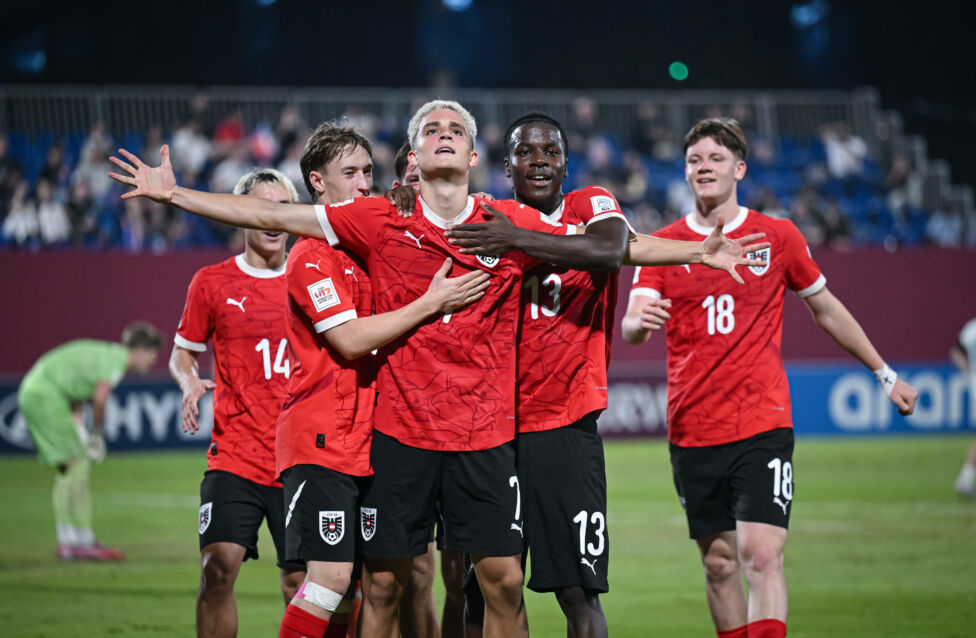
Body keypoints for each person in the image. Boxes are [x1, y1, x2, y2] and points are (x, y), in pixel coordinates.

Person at [441, 112, 768, 638]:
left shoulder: (589, 204)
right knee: (479, 590)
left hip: (563, 428)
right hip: (489, 431)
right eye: (526, 152)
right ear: (507, 166)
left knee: (579, 595)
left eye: (551, 152)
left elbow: (611, 250)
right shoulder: (488, 217)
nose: (539, 161)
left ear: (567, 165)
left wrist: (516, 239)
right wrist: (406, 192)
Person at [621, 118, 918, 638]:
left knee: (761, 554)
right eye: (694, 160)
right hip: (692, 429)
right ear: (684, 172)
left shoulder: (777, 236)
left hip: (761, 422)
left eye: (715, 158)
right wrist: (639, 323)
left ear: (739, 169)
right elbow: (631, 324)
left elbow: (826, 309)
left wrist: (883, 372)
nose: (704, 168)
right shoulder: (663, 245)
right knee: (719, 564)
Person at [276, 121, 486, 638]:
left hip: (372, 441)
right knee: (328, 580)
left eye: (368, 171)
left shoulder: (371, 248)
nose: (363, 183)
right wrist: (431, 303)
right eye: (349, 173)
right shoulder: (311, 254)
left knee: (366, 585)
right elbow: (349, 341)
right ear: (317, 182)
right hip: (322, 440)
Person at [169, 167, 307, 638]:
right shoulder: (211, 283)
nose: (272, 217)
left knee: (300, 584)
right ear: (239, 213)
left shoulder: (313, 275)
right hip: (235, 456)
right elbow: (182, 353)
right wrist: (188, 380)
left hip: (301, 458)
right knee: (217, 568)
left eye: (282, 207)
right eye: (261, 206)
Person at [17, 321, 163, 561]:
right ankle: (80, 541)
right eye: (153, 354)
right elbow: (100, 399)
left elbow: (75, 396)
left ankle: (70, 540)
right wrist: (96, 434)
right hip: (46, 396)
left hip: (36, 392)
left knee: (68, 468)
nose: (152, 361)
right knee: (78, 465)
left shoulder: (104, 354)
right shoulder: (116, 361)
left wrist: (82, 432)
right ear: (141, 350)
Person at [951, 318, 976, 497]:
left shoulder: (971, 328)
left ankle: (965, 479)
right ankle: (964, 480)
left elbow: (956, 352)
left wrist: (968, 373)